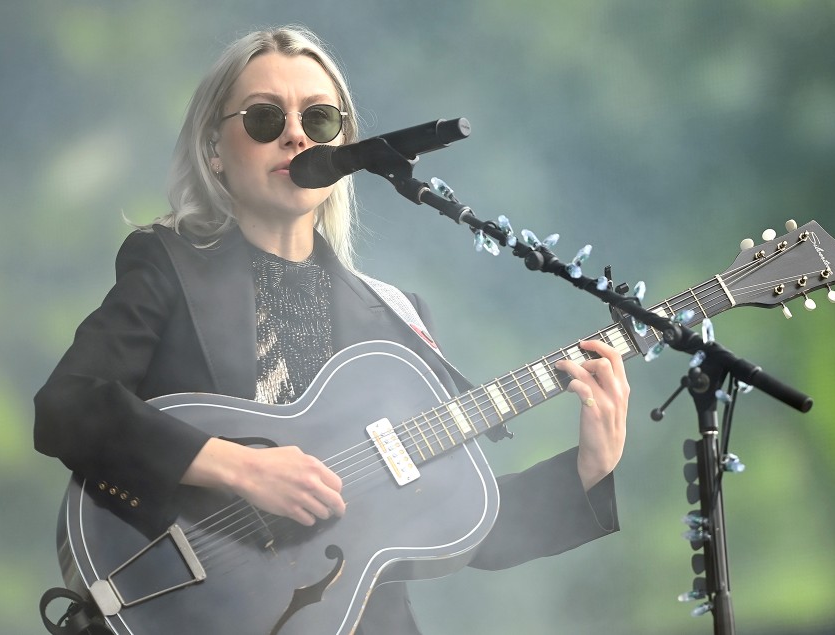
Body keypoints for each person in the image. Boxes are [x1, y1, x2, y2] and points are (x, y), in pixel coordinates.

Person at [34, 25, 630, 635]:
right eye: (266, 118)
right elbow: (67, 406)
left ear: (343, 147)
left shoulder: (396, 315)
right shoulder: (168, 266)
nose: (295, 133)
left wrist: (588, 468)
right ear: (215, 149)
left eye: (318, 120)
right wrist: (240, 467)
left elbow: (452, 526)